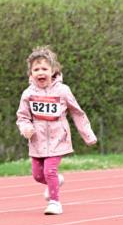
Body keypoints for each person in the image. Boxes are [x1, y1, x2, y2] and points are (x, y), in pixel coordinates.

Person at [16, 46, 97, 215]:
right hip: (37, 141)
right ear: (30, 73)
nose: (40, 72)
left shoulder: (62, 91)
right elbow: (22, 116)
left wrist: (88, 135)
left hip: (58, 139)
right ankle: (56, 181)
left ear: (53, 71)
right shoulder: (28, 94)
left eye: (44, 69)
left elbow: (77, 113)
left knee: (49, 171)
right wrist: (26, 128)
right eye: (36, 69)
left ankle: (55, 202)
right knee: (38, 176)